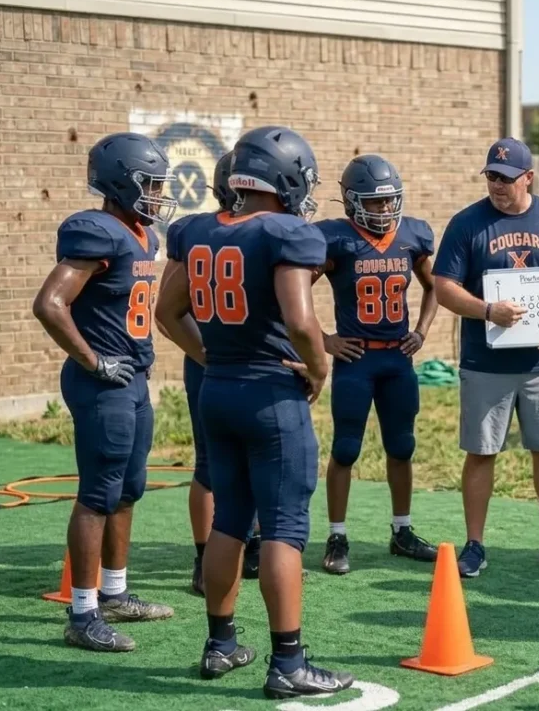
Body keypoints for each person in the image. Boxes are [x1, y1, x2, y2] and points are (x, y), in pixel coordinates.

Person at [155, 125, 353, 697]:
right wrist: (318, 367)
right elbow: (298, 318)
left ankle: (220, 644)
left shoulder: (197, 229)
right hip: (270, 397)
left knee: (229, 520)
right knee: (285, 530)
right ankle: (289, 664)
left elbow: (169, 312)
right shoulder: (285, 231)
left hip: (218, 389)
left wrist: (213, 355)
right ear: (287, 177)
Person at [32, 132, 177, 652]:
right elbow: (50, 303)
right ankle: (82, 613)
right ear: (119, 182)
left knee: (129, 487)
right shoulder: (94, 230)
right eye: (151, 184)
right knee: (98, 493)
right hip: (102, 383)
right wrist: (92, 360)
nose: (159, 194)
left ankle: (115, 593)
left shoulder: (144, 236)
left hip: (133, 378)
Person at [432, 137, 539, 578]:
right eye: (491, 177)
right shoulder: (467, 223)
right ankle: (475, 544)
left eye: (505, 178)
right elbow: (444, 287)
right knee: (482, 452)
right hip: (487, 363)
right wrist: (487, 310)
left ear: (528, 178)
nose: (497, 186)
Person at [315, 154, 439, 575]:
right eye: (374, 202)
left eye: (389, 202)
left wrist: (421, 331)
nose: (385, 210)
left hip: (396, 360)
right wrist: (324, 339)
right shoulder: (336, 238)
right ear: (350, 202)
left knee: (402, 446)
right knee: (345, 449)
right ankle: (337, 535)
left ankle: (402, 530)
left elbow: (434, 285)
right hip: (357, 359)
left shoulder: (413, 236)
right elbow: (289, 291)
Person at [157, 153, 263, 596]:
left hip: (228, 360)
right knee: (211, 465)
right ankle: (205, 558)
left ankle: (249, 545)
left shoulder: (196, 230)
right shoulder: (246, 232)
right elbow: (166, 309)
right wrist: (205, 355)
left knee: (246, 461)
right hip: (219, 359)